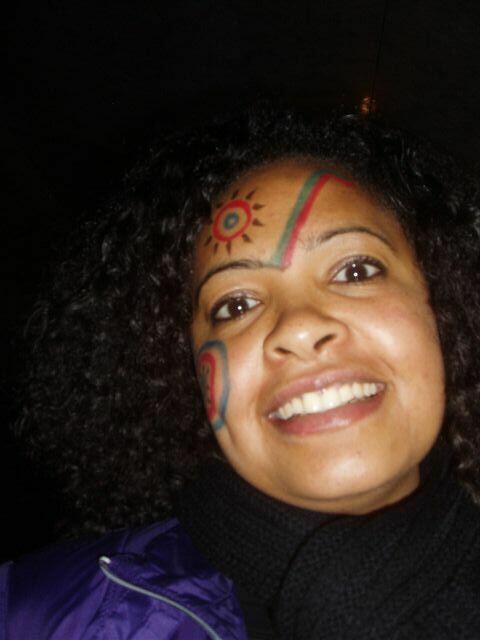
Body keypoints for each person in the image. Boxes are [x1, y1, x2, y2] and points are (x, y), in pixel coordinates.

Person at [2, 104, 480, 639]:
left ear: (443, 303)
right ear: (180, 372)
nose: (300, 327)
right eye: (235, 305)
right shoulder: (40, 617)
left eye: (354, 270)